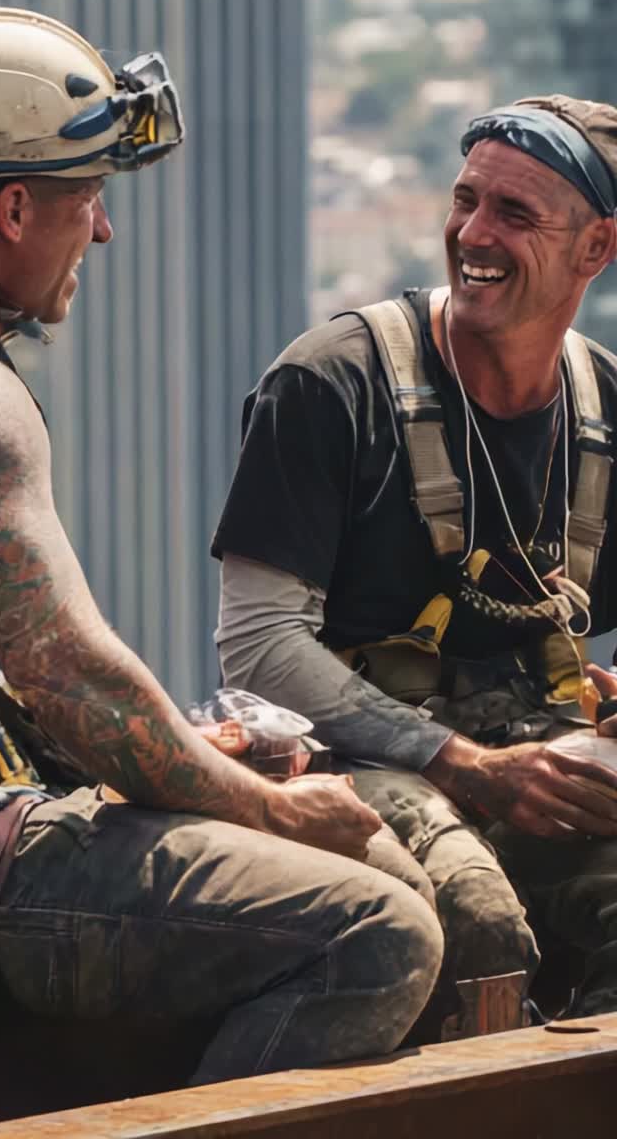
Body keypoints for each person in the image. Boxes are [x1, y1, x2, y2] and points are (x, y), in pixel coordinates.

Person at [0, 6, 442, 1085]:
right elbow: (70, 676)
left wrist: (199, 764)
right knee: (383, 930)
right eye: (87, 195)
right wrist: (271, 804)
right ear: (12, 206)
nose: (100, 232)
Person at [213, 93, 617, 1026]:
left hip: (543, 759)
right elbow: (259, 643)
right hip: (355, 762)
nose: (473, 233)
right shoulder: (331, 385)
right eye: (465, 200)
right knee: (470, 915)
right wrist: (467, 764)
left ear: (595, 249)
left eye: (515, 215)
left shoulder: (601, 411)